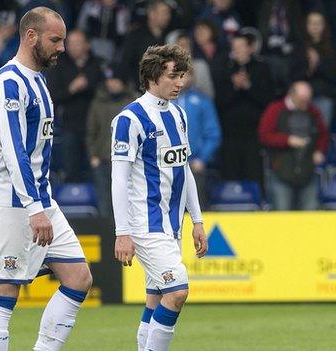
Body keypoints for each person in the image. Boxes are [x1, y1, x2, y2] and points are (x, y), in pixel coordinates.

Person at [0, 7, 92, 351]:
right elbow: (13, 152)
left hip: (39, 201)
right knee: (4, 293)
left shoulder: (38, 80)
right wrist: (34, 208)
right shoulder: (9, 83)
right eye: (55, 40)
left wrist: (41, 205)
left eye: (63, 40)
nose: (62, 48)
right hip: (8, 202)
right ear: (31, 36)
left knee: (78, 277)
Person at [111, 44, 208, 351]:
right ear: (153, 76)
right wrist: (122, 232)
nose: (180, 82)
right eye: (173, 76)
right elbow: (119, 178)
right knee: (177, 292)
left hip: (172, 225)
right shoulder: (130, 119)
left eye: (182, 75)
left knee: (155, 298)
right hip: (145, 225)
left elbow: (186, 171)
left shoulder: (179, 114)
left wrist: (198, 220)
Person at [213, 32, 274, 186]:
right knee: (230, 175)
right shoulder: (223, 69)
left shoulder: (262, 68)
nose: (237, 50)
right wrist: (234, 87)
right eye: (235, 47)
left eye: (241, 47)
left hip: (254, 133)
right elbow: (219, 102)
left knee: (254, 175)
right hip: (229, 133)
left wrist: (248, 87)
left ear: (250, 48)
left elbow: (267, 100)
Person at [258, 81, 328, 210]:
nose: (305, 104)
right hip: (281, 172)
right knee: (283, 216)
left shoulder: (313, 112)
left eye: (307, 100)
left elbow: (323, 135)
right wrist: (287, 140)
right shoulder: (275, 109)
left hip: (307, 171)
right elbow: (264, 135)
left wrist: (319, 151)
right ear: (291, 95)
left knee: (310, 216)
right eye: (302, 100)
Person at [46, 29, 102, 182]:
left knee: (97, 172)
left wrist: (88, 86)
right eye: (69, 43)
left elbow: (104, 93)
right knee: (71, 169)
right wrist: (72, 89)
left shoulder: (97, 64)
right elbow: (52, 96)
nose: (73, 47)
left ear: (87, 45)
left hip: (95, 127)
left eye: (77, 43)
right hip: (70, 124)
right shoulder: (58, 65)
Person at [86, 69, 137, 217]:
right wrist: (92, 156)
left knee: (128, 200)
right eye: (108, 81)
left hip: (128, 161)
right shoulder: (98, 102)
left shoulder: (133, 102)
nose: (111, 84)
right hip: (103, 160)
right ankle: (106, 235)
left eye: (114, 80)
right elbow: (91, 131)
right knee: (105, 200)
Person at [173, 67, 221, 210]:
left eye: (185, 75)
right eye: (177, 75)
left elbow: (213, 133)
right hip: (169, 166)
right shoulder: (165, 101)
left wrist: (202, 159)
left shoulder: (202, 101)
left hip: (195, 166)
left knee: (197, 210)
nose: (182, 79)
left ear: (192, 77)